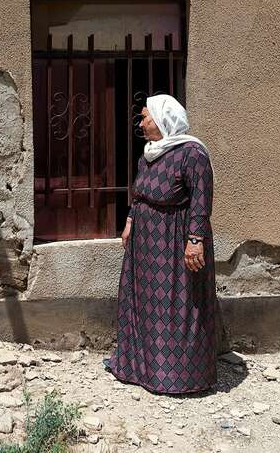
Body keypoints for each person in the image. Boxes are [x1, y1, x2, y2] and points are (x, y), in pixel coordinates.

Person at [104, 93, 217, 394]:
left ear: (163, 119)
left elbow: (201, 202)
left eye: (145, 116)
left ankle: (178, 376)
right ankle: (137, 368)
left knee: (177, 304)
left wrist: (195, 240)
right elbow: (140, 193)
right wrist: (129, 221)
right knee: (144, 301)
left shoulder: (192, 154)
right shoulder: (149, 154)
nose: (140, 122)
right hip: (146, 242)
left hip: (176, 240)